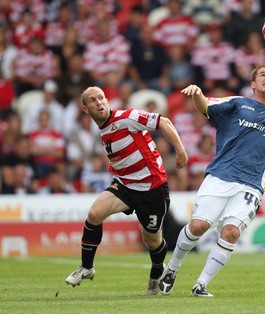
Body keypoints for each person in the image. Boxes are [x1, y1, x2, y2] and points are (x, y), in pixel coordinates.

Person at [158, 63, 265, 297]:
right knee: (198, 226)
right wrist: (198, 94)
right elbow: (206, 108)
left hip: (251, 185)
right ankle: (172, 268)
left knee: (231, 232)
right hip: (220, 176)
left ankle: (200, 284)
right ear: (253, 83)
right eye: (263, 75)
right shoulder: (237, 103)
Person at [65, 86, 188, 296]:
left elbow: (163, 121)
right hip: (125, 184)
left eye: (101, 98)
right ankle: (87, 267)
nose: (98, 103)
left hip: (152, 187)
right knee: (94, 214)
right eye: (92, 101)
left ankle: (157, 271)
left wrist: (181, 151)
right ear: (86, 109)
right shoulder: (103, 129)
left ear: (107, 100)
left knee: (152, 241)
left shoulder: (126, 116)